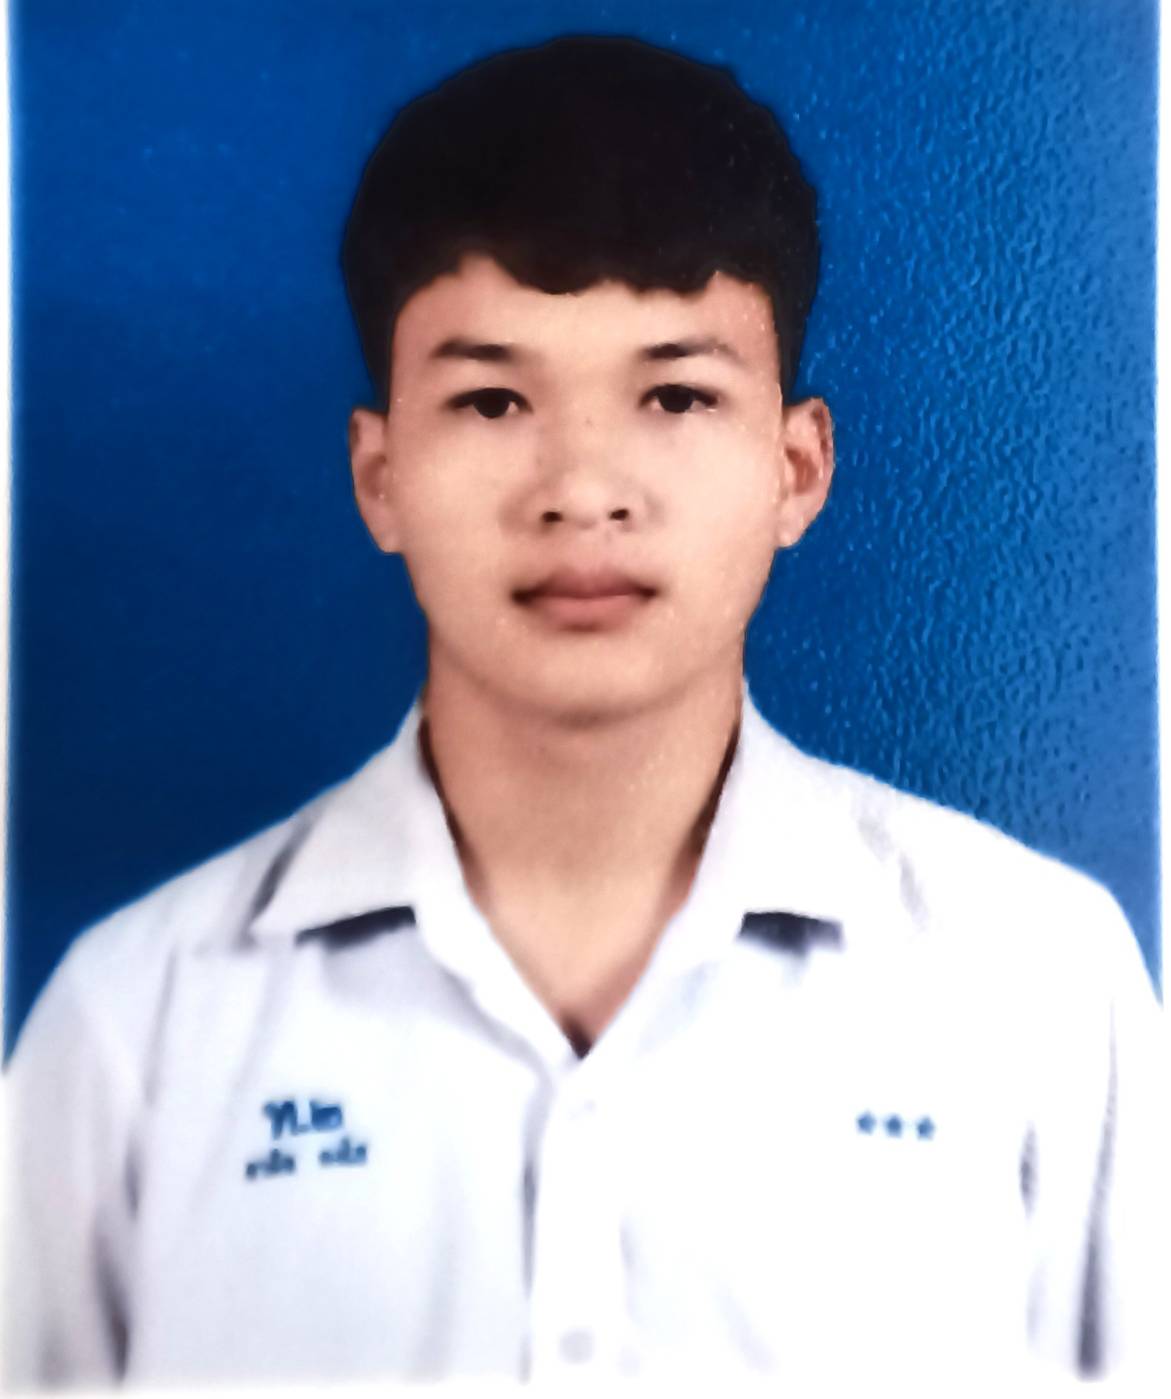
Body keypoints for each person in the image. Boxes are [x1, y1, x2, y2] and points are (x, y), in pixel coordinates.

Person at [4, 35, 1166, 1389]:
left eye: (675, 394)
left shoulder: (1039, 990)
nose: (583, 490)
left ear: (797, 470)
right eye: (493, 399)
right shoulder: (136, 1028)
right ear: (379, 477)